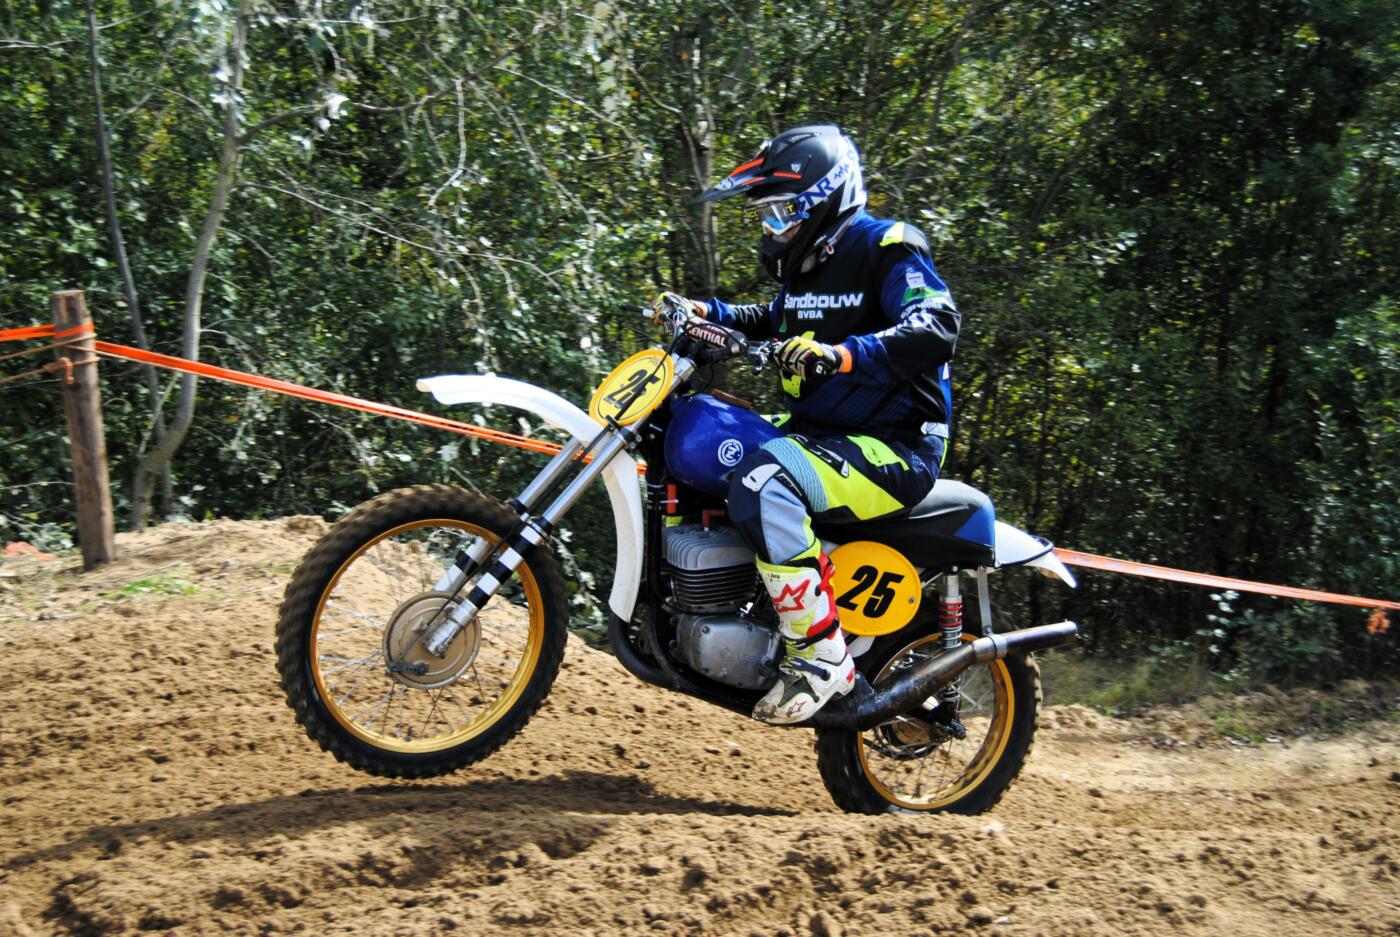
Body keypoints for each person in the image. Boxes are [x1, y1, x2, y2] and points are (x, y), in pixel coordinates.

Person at [651, 125, 959, 724]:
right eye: (765, 216)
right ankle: (700, 604)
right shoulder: (810, 271)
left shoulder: (888, 246)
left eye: (783, 213)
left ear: (826, 202)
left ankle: (821, 655)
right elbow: (770, 318)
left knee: (764, 480)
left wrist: (842, 355)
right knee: (695, 428)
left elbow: (936, 325)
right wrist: (705, 312)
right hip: (820, 433)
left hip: (896, 447)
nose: (774, 229)